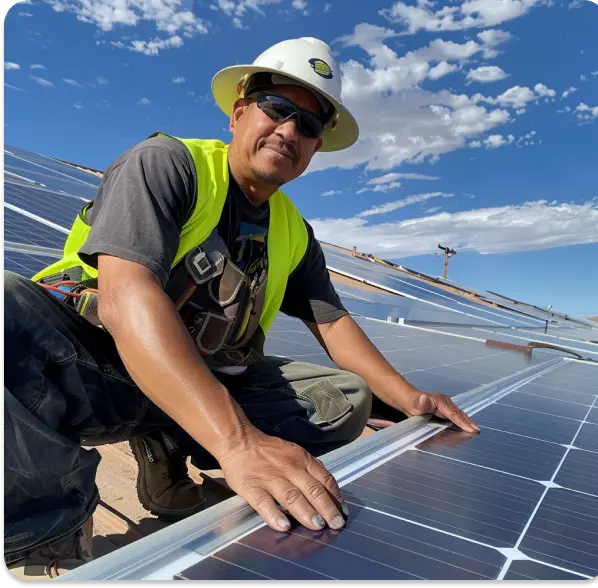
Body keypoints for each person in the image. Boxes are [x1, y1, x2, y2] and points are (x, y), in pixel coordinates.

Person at [4, 37, 479, 579]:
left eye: (309, 125)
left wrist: (411, 397)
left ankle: (168, 436)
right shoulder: (167, 165)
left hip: (198, 377)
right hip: (93, 367)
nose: (290, 131)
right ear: (238, 113)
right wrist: (238, 442)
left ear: (316, 146)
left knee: (344, 398)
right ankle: (47, 529)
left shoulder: (294, 231)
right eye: (278, 109)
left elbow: (334, 322)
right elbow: (126, 296)